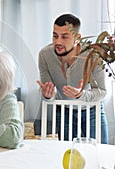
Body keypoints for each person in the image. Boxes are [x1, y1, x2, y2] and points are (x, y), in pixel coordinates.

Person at [36, 13, 108, 143]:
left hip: (91, 110)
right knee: (67, 154)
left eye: (64, 37)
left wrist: (81, 94)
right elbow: (49, 93)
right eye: (55, 36)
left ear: (77, 38)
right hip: (64, 111)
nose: (58, 42)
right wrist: (48, 95)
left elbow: (102, 91)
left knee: (99, 153)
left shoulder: (94, 55)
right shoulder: (44, 55)